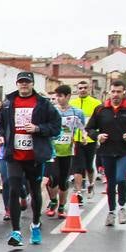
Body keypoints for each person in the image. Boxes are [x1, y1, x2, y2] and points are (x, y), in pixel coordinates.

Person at [0, 71, 61, 248]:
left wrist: (38, 128)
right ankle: (16, 231)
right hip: (14, 155)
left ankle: (36, 224)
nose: (24, 85)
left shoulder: (43, 103)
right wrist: (1, 136)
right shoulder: (8, 103)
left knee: (34, 191)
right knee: (14, 189)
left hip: (35, 156)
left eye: (27, 82)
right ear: (17, 84)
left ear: (32, 84)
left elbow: (56, 127)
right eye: (21, 82)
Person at [85, 79, 126, 226]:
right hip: (106, 151)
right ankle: (111, 212)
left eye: (119, 92)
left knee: (120, 179)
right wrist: (97, 136)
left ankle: (122, 207)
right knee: (110, 183)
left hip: (125, 151)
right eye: (113, 91)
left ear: (124, 92)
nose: (115, 95)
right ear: (109, 92)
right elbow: (89, 128)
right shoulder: (101, 109)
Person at [46, 85, 86, 218]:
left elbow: (82, 128)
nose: (58, 99)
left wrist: (84, 137)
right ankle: (53, 201)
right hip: (53, 151)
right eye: (56, 96)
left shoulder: (77, 112)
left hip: (68, 151)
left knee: (63, 181)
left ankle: (62, 206)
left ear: (68, 96)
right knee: (53, 178)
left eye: (61, 96)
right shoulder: (51, 111)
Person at [69, 80, 102, 197]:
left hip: (90, 139)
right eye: (80, 88)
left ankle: (91, 183)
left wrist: (98, 137)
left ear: (89, 89)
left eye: (85, 88)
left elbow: (100, 122)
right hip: (77, 139)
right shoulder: (72, 103)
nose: (82, 90)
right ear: (77, 89)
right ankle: (78, 191)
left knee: (88, 165)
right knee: (78, 166)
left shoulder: (96, 103)